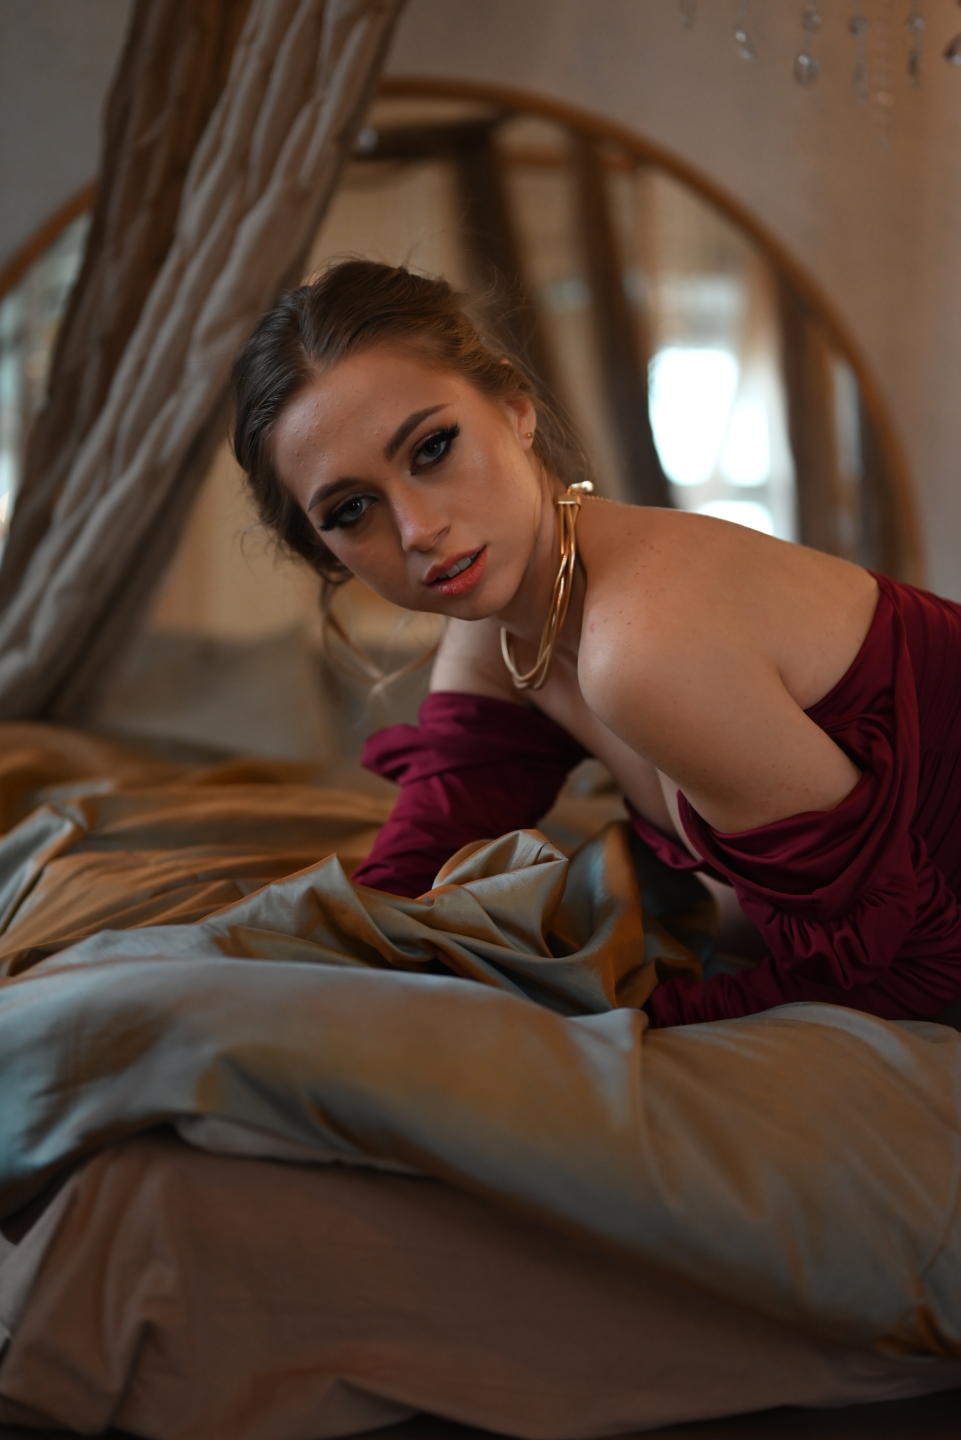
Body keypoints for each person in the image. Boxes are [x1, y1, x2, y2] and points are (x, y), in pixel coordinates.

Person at [231, 258, 961, 1028]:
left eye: (433, 448)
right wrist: (270, 972)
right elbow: (417, 865)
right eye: (351, 510)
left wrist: (605, 1015)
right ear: (323, 549)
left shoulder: (645, 641)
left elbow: (909, 970)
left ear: (515, 409)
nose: (417, 529)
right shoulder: (497, 629)